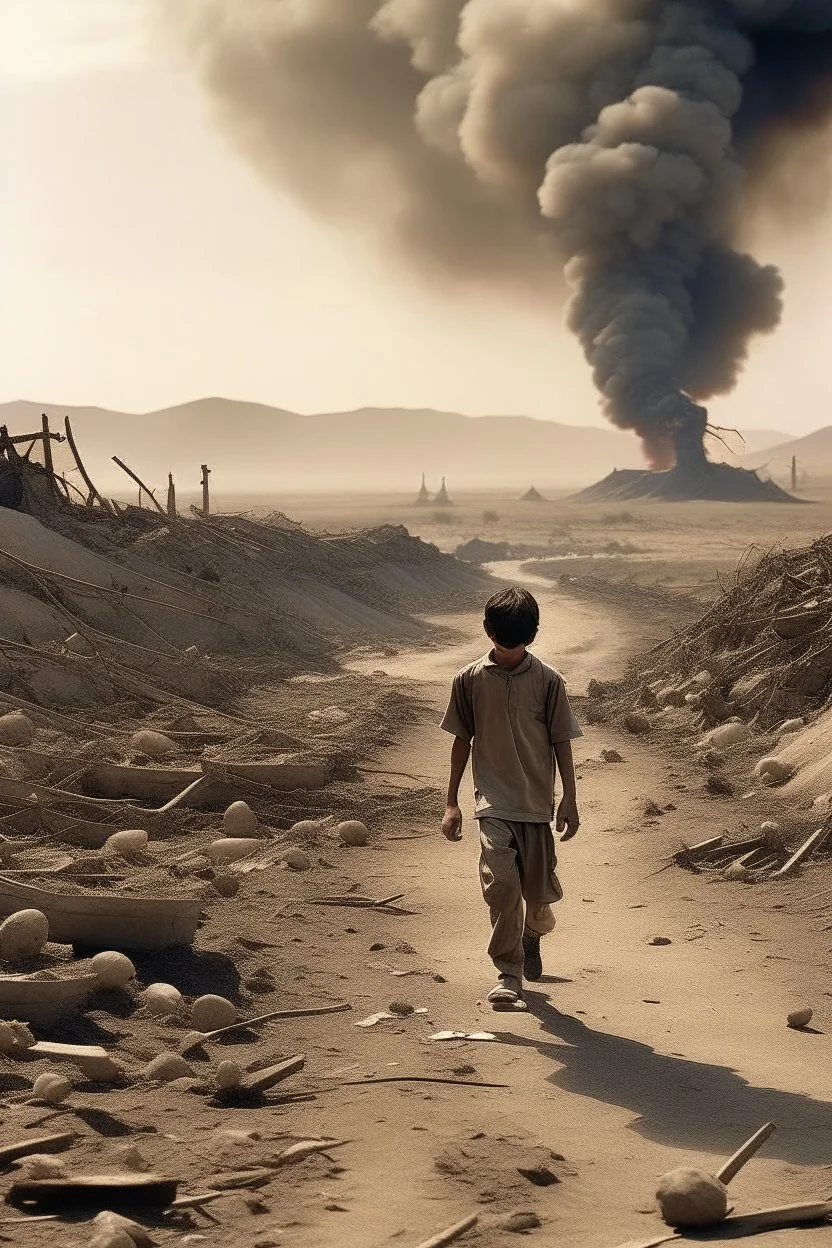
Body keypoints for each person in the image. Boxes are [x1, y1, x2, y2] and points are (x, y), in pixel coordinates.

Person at [440, 587, 582, 1007]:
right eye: (503, 641)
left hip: (537, 806)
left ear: (532, 636)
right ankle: (508, 973)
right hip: (493, 804)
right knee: (502, 885)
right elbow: (461, 740)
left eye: (516, 642)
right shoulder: (468, 680)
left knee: (538, 898)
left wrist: (569, 798)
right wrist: (452, 801)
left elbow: (562, 742)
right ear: (488, 631)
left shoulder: (549, 681)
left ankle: (531, 934)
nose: (508, 649)